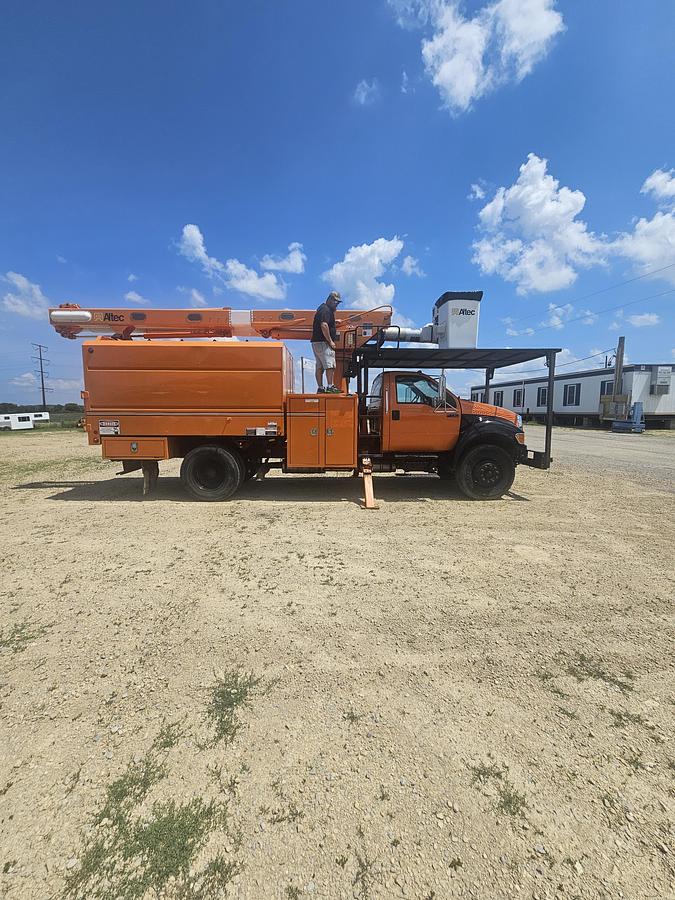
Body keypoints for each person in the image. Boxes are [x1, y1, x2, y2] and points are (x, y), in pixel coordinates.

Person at [311, 291, 341, 393]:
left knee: (319, 366)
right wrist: (330, 341)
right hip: (324, 343)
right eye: (336, 302)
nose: (337, 304)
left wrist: (334, 322)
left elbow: (324, 322)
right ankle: (330, 386)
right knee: (330, 365)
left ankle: (320, 388)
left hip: (316, 342)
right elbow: (324, 325)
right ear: (330, 300)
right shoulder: (326, 310)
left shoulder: (322, 309)